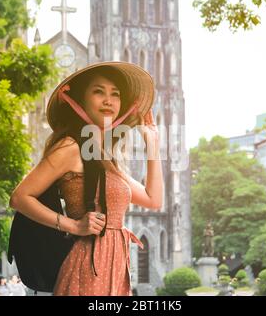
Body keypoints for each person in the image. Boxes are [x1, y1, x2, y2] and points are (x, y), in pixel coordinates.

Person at [9, 61, 163, 296]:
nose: (108, 100)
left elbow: (153, 200)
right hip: (87, 267)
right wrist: (73, 225)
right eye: (98, 91)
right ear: (80, 100)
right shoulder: (71, 146)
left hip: (116, 268)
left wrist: (152, 146)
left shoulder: (106, 158)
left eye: (115, 94)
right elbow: (20, 197)